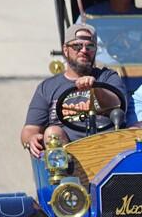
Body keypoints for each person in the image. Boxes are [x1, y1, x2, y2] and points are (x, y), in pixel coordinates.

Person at [21, 23, 130, 157]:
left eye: (90, 46)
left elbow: (117, 105)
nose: (84, 50)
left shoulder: (108, 77)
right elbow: (30, 129)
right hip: (64, 157)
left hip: (105, 150)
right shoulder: (47, 87)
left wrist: (95, 89)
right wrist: (31, 139)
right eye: (77, 46)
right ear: (65, 49)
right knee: (52, 133)